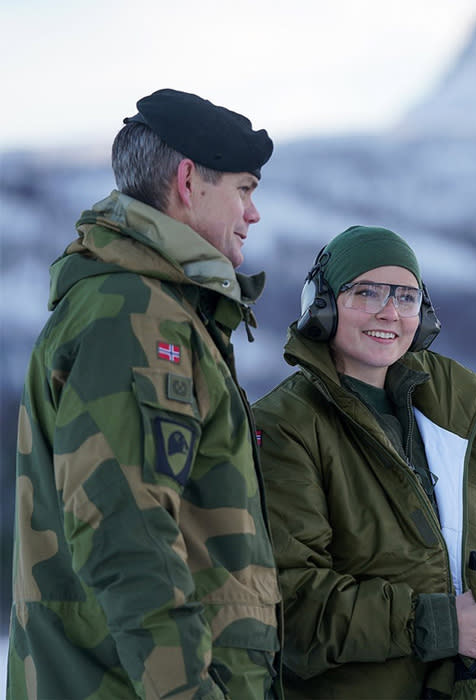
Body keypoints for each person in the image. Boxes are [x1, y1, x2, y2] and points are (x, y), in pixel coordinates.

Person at [7, 89, 282, 700]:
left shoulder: (158, 304)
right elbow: (127, 540)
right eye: (244, 188)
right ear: (188, 180)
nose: (253, 213)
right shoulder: (134, 315)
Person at [252, 225, 476, 699]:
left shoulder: (457, 413)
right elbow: (291, 603)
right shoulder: (285, 426)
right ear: (321, 305)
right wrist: (442, 625)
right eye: (366, 292)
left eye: (405, 296)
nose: (389, 312)